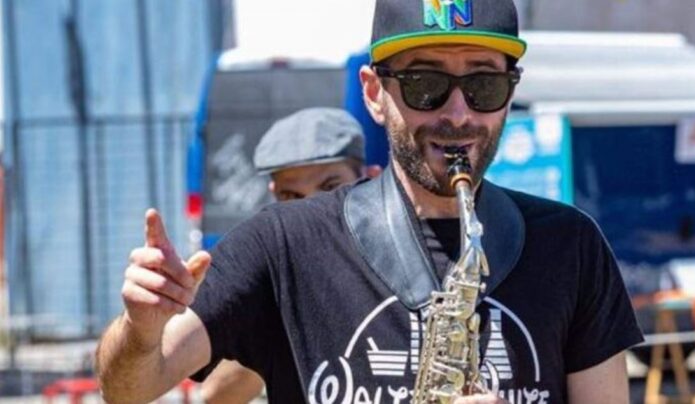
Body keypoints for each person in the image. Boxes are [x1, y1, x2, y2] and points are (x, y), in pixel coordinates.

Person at [95, 0, 644, 402]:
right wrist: (140, 332)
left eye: (484, 87)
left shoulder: (571, 245)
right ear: (375, 93)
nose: (458, 114)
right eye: (425, 85)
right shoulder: (282, 243)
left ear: (510, 94)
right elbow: (128, 389)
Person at [200, 107, 379, 403]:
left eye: (330, 188)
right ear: (273, 195)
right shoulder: (268, 266)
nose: (313, 208)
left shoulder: (402, 250)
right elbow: (216, 394)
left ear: (371, 178)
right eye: (291, 196)